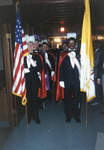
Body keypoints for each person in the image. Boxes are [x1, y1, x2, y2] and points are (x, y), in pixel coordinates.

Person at [56, 32, 81, 123]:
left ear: (75, 43)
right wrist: (61, 80)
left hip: (77, 81)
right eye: (69, 43)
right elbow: (61, 68)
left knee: (77, 99)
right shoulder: (63, 55)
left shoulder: (79, 54)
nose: (71, 44)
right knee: (67, 100)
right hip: (67, 81)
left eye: (72, 43)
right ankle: (68, 116)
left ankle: (77, 116)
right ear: (67, 44)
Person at [24, 35, 43, 124]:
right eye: (28, 45)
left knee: (35, 100)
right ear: (25, 46)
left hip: (34, 81)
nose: (30, 47)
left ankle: (36, 118)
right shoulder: (22, 57)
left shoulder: (37, 56)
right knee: (28, 100)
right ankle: (28, 117)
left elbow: (40, 67)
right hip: (26, 82)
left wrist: (29, 70)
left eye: (32, 45)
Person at [91, 40, 102, 105]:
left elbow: (96, 63)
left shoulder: (99, 52)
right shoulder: (95, 51)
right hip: (94, 72)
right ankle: (95, 97)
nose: (93, 46)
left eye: (95, 45)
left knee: (97, 87)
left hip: (97, 72)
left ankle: (98, 99)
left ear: (98, 45)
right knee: (94, 86)